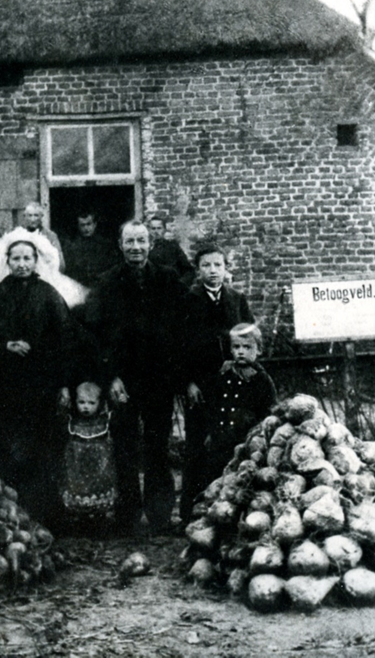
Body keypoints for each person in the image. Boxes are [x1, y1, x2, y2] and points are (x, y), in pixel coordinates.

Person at [80, 220, 190, 535]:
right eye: (130, 242)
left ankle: (159, 516)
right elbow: (94, 335)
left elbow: (184, 326)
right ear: (120, 245)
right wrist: (109, 378)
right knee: (125, 447)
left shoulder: (168, 280)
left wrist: (175, 373)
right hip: (122, 382)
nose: (136, 248)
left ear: (151, 244)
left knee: (157, 446)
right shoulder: (107, 282)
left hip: (158, 379)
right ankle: (126, 515)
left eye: (141, 241)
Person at [0, 229, 74, 527]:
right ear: (8, 261)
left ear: (36, 261)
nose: (22, 264)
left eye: (28, 258)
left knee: (40, 448)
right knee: (5, 448)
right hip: (3, 386)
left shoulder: (49, 295)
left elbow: (65, 340)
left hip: (40, 385)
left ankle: (44, 515)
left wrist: (63, 383)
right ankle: (8, 512)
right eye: (16, 258)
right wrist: (5, 346)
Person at [180, 242, 255, 512]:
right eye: (206, 266)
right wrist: (188, 382)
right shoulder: (188, 299)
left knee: (229, 444)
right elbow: (179, 345)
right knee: (197, 446)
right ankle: (191, 510)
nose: (213, 271)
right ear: (198, 270)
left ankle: (226, 509)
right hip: (200, 386)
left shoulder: (236, 299)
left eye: (218, 265)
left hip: (232, 385)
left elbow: (250, 337)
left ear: (226, 269)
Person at [196, 323, 277, 490]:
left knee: (243, 482)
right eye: (236, 347)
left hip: (244, 440)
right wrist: (211, 431)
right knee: (216, 481)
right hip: (221, 438)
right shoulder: (224, 374)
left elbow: (268, 412)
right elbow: (213, 405)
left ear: (259, 350)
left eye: (247, 347)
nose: (241, 351)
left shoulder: (261, 380)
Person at [59, 381, 117, 532]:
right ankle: (78, 524)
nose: (86, 406)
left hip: (99, 468)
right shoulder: (73, 421)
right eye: (81, 402)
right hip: (78, 468)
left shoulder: (103, 421)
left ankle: (99, 523)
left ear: (99, 403)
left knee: (98, 495)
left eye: (91, 403)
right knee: (78, 495)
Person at [64, 210, 120, 288]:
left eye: (88, 224)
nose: (86, 228)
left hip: (102, 286)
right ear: (78, 226)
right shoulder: (72, 246)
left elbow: (114, 267)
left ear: (95, 224)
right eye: (82, 225)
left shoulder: (106, 245)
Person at [147, 216, 195, 286]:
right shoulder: (146, 248)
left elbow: (188, 270)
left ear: (164, 230)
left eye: (159, 228)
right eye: (153, 228)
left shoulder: (173, 247)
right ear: (149, 230)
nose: (156, 231)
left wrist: (181, 284)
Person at [20, 201, 65, 272]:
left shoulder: (50, 236)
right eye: (30, 215)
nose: (33, 219)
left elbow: (60, 263)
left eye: (36, 215)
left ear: (41, 216)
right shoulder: (19, 234)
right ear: (25, 216)